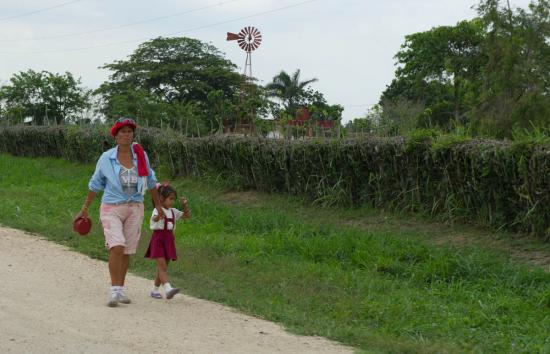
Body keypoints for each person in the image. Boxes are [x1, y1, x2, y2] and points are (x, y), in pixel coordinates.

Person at [74, 117, 164, 307]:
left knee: (127, 251)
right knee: (117, 246)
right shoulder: (106, 158)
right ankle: (114, 290)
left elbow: (150, 180)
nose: (126, 135)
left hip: (135, 207)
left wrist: (158, 206)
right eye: (122, 132)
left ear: (133, 135)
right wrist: (84, 209)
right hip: (111, 207)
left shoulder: (140, 155)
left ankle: (121, 288)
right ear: (115, 136)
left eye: (129, 132)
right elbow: (95, 183)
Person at [145, 183, 191, 299]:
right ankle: (168, 288)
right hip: (158, 239)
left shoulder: (173, 211)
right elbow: (153, 219)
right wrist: (158, 217)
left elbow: (187, 216)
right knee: (162, 267)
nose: (172, 202)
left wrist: (184, 206)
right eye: (170, 199)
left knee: (163, 266)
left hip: (169, 240)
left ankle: (155, 290)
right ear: (161, 198)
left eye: (174, 199)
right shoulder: (157, 210)